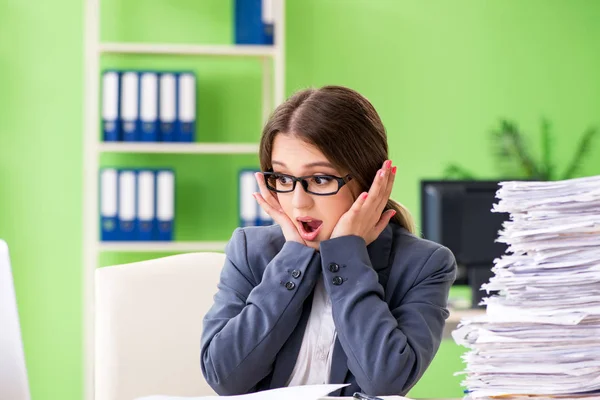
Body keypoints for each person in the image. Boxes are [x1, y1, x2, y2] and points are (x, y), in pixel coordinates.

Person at [200, 85, 457, 397]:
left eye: (320, 179)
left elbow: (386, 383)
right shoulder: (251, 250)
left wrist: (347, 255)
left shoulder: (424, 265)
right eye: (283, 179)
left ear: (371, 180)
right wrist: (294, 257)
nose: (298, 203)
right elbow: (223, 376)